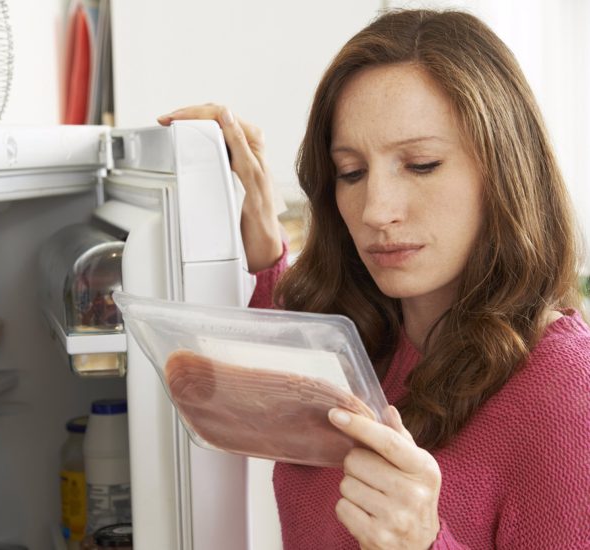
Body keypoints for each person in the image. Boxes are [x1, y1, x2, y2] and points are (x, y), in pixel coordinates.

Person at [158, 8, 590, 549]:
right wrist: (260, 231)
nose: (375, 211)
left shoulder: (565, 391)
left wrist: (421, 543)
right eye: (351, 173)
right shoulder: (354, 336)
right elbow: (252, 393)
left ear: (505, 171)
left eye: (422, 164)